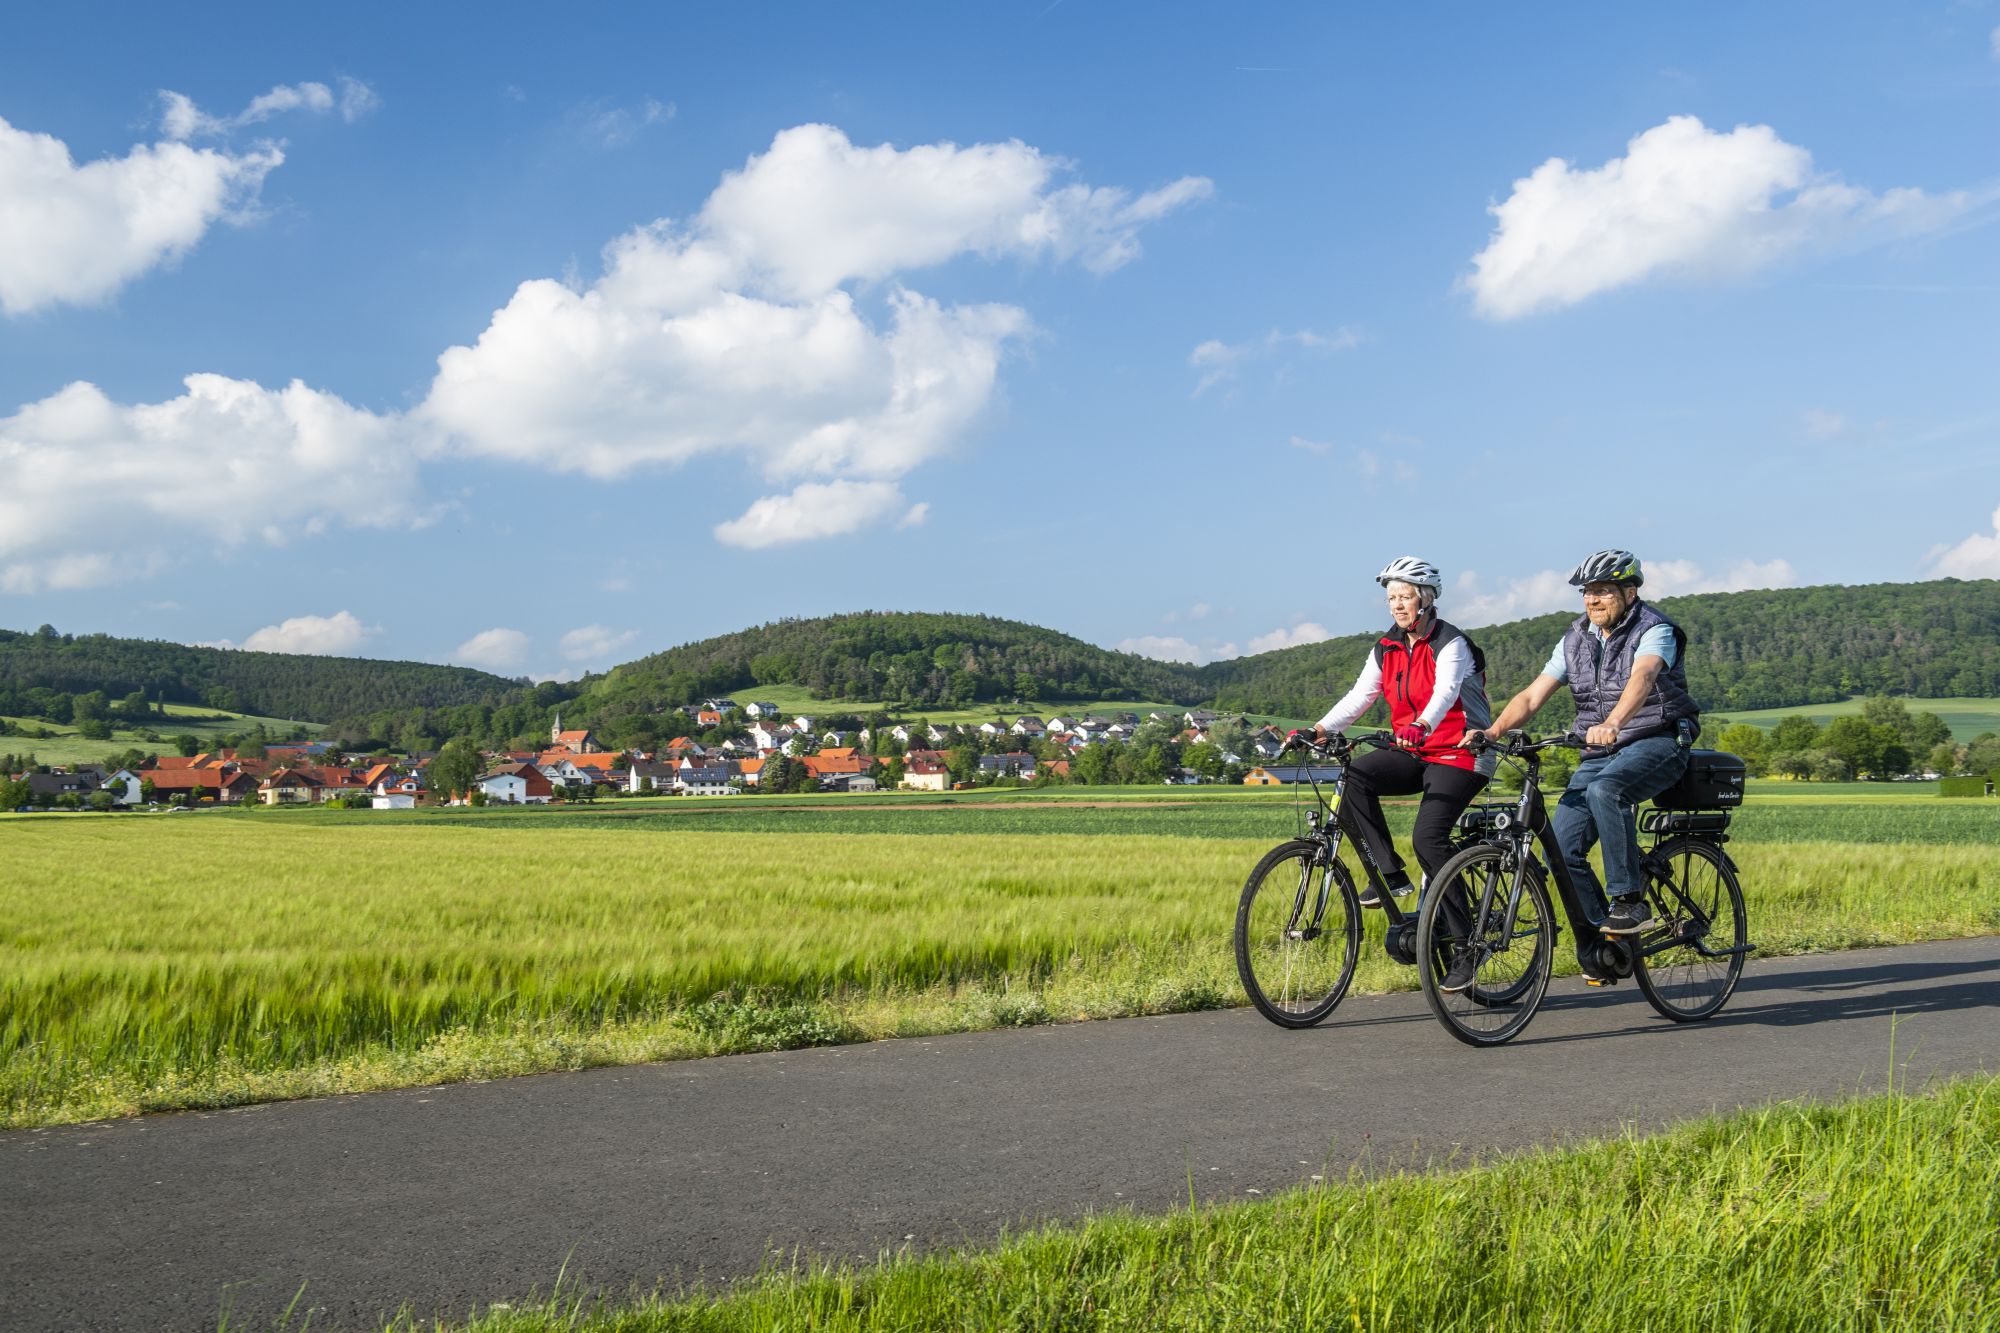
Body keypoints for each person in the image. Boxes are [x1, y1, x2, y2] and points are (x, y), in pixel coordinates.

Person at [1466, 549, 1700, 968]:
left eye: (1604, 592)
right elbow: (1533, 695)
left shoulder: (1654, 629)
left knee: (1606, 790)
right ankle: (1605, 942)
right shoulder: (1574, 638)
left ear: (1629, 593)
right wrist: (1493, 731)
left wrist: (1613, 722)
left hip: (1657, 739)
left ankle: (1628, 900)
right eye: (1588, 593)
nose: (1593, 601)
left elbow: (1643, 677)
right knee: (1562, 847)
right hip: (1600, 749)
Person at [1291, 556, 1496, 993]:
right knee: (1357, 778)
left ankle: (1466, 946)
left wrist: (1421, 723)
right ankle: (1391, 874)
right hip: (1416, 749)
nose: (1396, 606)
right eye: (1391, 598)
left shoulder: (1451, 643)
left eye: (1404, 597)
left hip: (1460, 752)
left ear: (1426, 599)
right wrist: (1320, 729)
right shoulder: (1386, 648)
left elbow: (1445, 693)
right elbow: (1360, 696)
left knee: (1429, 838)